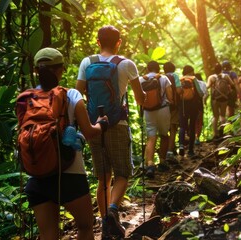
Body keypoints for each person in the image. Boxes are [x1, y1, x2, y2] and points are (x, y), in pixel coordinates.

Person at [23, 47, 108, 239]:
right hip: (70, 174)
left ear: (36, 70)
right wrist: (101, 125)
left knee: (48, 235)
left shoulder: (26, 99)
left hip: (37, 176)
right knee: (86, 227)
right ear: (61, 69)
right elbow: (89, 132)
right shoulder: (71, 95)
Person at [75, 25, 145, 237]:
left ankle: (106, 222)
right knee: (122, 173)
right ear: (119, 42)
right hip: (118, 125)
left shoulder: (87, 62)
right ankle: (112, 211)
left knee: (103, 178)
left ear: (97, 42)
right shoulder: (126, 64)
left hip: (94, 126)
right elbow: (140, 98)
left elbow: (77, 94)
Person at [140, 61, 173, 178]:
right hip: (163, 109)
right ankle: (162, 162)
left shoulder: (141, 80)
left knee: (151, 137)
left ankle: (149, 164)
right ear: (158, 69)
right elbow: (170, 97)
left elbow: (138, 98)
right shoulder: (164, 78)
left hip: (148, 111)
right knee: (164, 135)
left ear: (148, 69)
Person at [207, 63, 236, 140]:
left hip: (214, 99)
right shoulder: (226, 76)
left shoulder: (211, 77)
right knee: (223, 116)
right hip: (224, 98)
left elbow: (207, 87)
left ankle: (215, 134)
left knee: (215, 117)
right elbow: (232, 85)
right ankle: (224, 132)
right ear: (221, 69)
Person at [178, 65, 202, 158]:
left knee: (182, 126)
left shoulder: (180, 79)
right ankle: (191, 150)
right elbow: (200, 92)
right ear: (191, 71)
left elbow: (178, 92)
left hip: (183, 106)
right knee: (192, 126)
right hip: (193, 106)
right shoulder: (194, 79)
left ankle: (181, 145)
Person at [163, 62, 182, 161]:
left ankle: (164, 152)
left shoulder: (161, 77)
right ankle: (170, 151)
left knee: (165, 130)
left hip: (162, 107)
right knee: (173, 128)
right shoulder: (174, 76)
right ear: (173, 68)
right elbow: (178, 90)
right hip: (173, 105)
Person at [194, 72, 208, 145]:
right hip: (200, 105)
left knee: (193, 121)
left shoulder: (191, 82)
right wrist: (204, 101)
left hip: (191, 105)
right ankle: (197, 138)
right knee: (199, 121)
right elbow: (206, 94)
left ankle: (192, 137)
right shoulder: (202, 83)